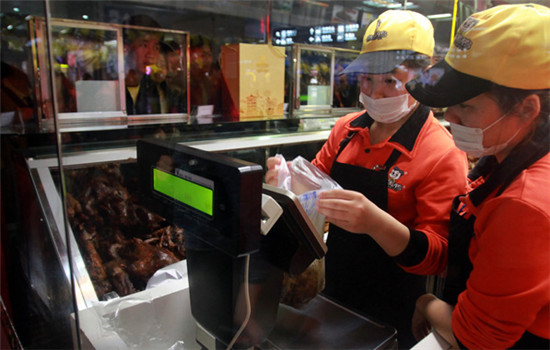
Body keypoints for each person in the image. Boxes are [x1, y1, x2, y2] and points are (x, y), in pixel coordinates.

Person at [265, 10, 468, 348]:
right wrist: (284, 182)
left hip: (397, 306)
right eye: (367, 80)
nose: (376, 93)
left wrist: (376, 223)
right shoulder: (347, 130)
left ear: (426, 76)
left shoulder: (442, 153)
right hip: (335, 290)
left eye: (391, 81)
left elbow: (442, 256)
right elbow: (313, 189)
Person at [404, 4, 550, 349]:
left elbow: (479, 335)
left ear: (527, 109)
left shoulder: (524, 203)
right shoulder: (509, 156)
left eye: (465, 106)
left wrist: (425, 303)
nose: (448, 114)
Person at [123, 15, 164, 115]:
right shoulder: (109, 84)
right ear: (126, 48)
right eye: (144, 45)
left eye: (156, 47)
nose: (150, 54)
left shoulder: (150, 86)